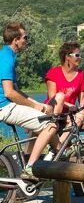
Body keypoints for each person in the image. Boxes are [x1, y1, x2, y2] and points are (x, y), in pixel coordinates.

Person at [0, 22, 60, 180]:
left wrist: (39, 106)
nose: (27, 40)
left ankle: (58, 150)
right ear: (16, 40)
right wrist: (36, 106)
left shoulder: (9, 55)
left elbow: (17, 91)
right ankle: (30, 168)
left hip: (8, 105)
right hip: (5, 107)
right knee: (51, 125)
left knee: (48, 119)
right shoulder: (6, 58)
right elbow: (9, 93)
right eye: (25, 37)